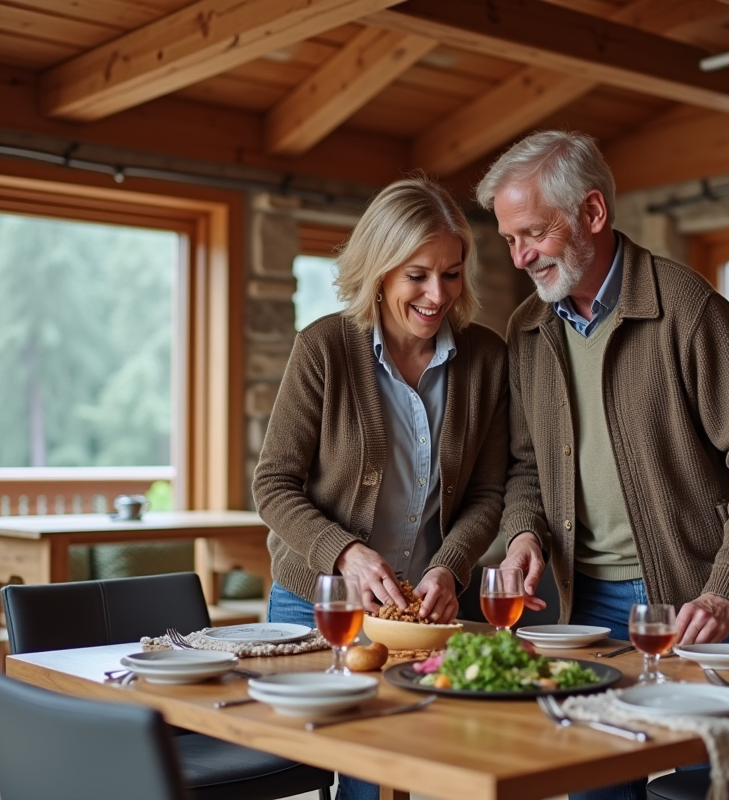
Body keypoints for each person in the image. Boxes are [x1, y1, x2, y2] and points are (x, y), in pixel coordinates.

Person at [478, 128, 729, 789]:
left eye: (532, 233)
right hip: (586, 607)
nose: (520, 256)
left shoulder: (688, 309)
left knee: (717, 786)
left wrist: (727, 587)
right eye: (509, 238)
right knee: (596, 784)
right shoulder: (526, 330)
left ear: (592, 212)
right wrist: (524, 534)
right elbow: (527, 466)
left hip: (703, 598)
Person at [253, 176, 508, 800]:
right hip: (321, 606)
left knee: (408, 772)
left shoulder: (486, 359)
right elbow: (274, 484)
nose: (437, 295)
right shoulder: (323, 348)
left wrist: (450, 564)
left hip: (422, 615)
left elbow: (488, 493)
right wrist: (345, 553)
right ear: (379, 270)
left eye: (451, 274)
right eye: (417, 275)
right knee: (329, 770)